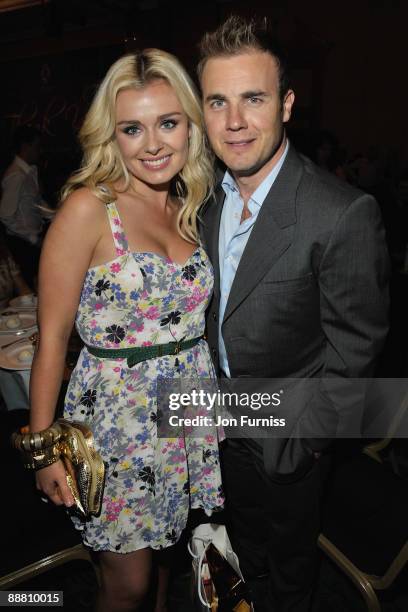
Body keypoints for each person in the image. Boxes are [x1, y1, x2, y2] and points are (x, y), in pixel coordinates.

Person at [198, 16, 389, 612]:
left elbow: (357, 350)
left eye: (253, 99)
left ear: (286, 104)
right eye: (217, 102)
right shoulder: (203, 200)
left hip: (288, 438)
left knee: (289, 573)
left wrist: (305, 443)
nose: (234, 122)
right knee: (242, 554)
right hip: (214, 423)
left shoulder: (342, 212)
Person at [25, 50, 224, 612]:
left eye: (168, 122)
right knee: (126, 584)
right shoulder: (90, 209)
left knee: (162, 560)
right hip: (118, 423)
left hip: (184, 415)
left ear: (190, 124)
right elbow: (52, 336)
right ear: (111, 136)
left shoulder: (189, 206)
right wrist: (44, 452)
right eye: (133, 129)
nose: (154, 143)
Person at [0, 126, 46, 289]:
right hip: (21, 243)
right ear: (25, 146)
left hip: (32, 240)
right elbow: (5, 216)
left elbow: (36, 203)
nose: (40, 151)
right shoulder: (16, 175)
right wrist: (34, 239)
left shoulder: (30, 171)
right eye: (37, 146)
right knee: (28, 289)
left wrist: (58, 215)